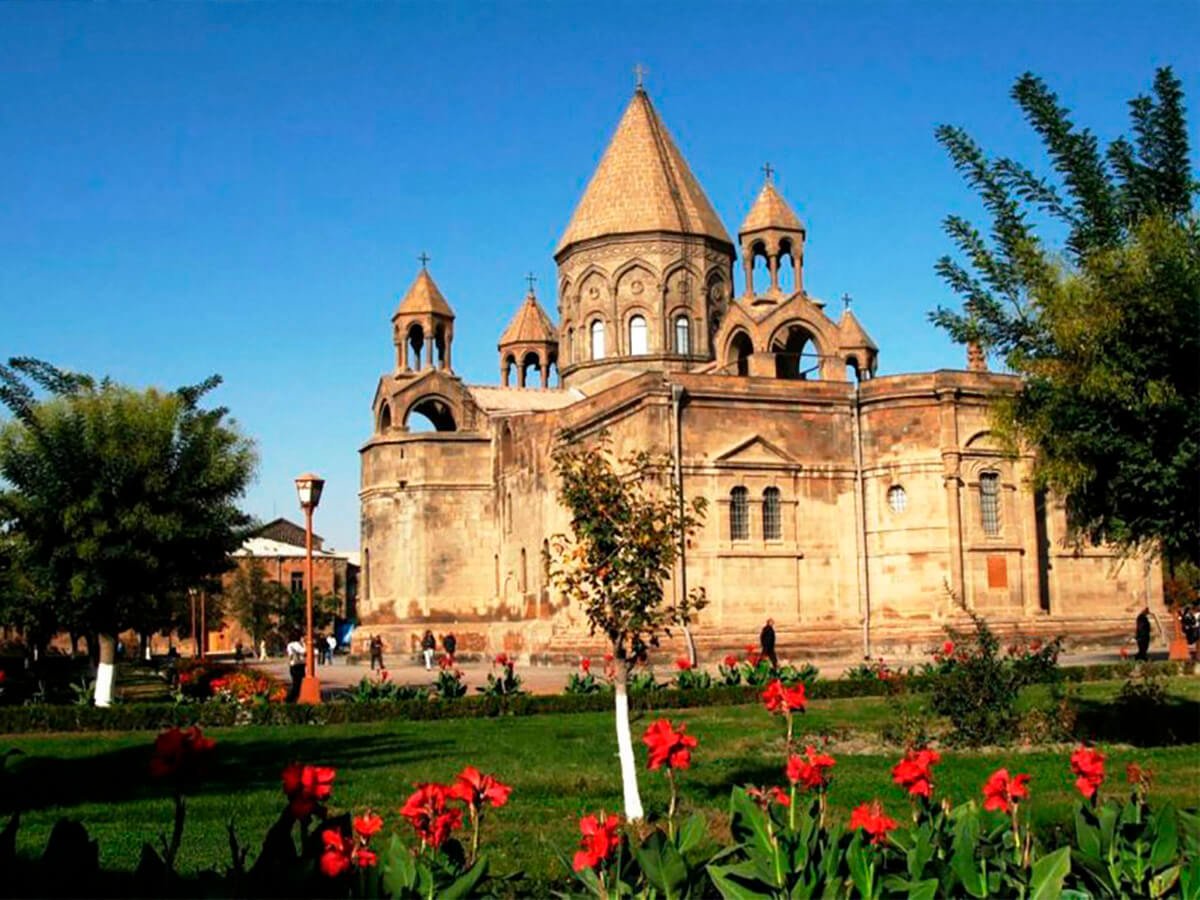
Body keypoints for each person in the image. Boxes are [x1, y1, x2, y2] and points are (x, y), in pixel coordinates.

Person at [285, 633, 306, 702]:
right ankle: (290, 699)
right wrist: (304, 643)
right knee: (298, 684)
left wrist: (289, 662)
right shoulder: (297, 644)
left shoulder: (290, 645)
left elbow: (290, 655)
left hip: (294, 665)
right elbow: (304, 651)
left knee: (296, 683)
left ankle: (293, 698)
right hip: (298, 665)